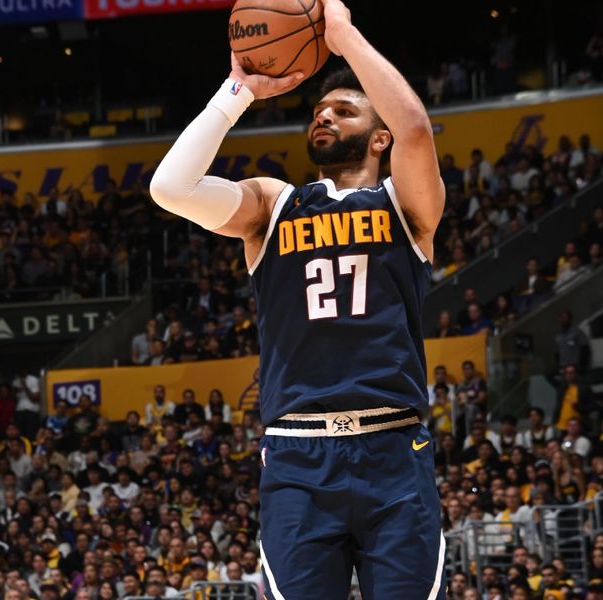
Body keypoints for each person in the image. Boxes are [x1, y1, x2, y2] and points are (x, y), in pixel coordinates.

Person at [149, 0, 447, 596]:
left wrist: (343, 36)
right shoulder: (273, 204)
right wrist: (237, 91)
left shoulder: (406, 207)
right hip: (298, 457)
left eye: (343, 109)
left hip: (394, 448)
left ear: (378, 136)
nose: (324, 116)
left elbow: (415, 127)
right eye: (318, 110)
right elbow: (170, 187)